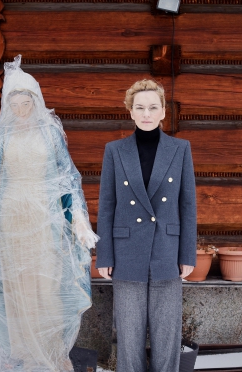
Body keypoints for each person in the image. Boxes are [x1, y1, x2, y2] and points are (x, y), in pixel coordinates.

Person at [0, 55, 98, 372]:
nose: (20, 109)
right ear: (8, 105)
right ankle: (23, 356)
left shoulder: (51, 134)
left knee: (46, 282)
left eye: (26, 101)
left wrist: (79, 219)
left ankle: (52, 352)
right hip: (11, 219)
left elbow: (67, 179)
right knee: (17, 284)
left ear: (35, 100)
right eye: (14, 102)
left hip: (45, 220)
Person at [96, 79, 197, 371]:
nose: (147, 114)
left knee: (167, 336)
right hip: (127, 251)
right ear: (131, 112)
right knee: (129, 337)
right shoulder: (115, 150)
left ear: (164, 111)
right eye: (140, 107)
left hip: (167, 249)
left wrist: (187, 254)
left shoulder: (180, 149)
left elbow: (187, 204)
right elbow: (107, 204)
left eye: (153, 107)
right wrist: (104, 254)